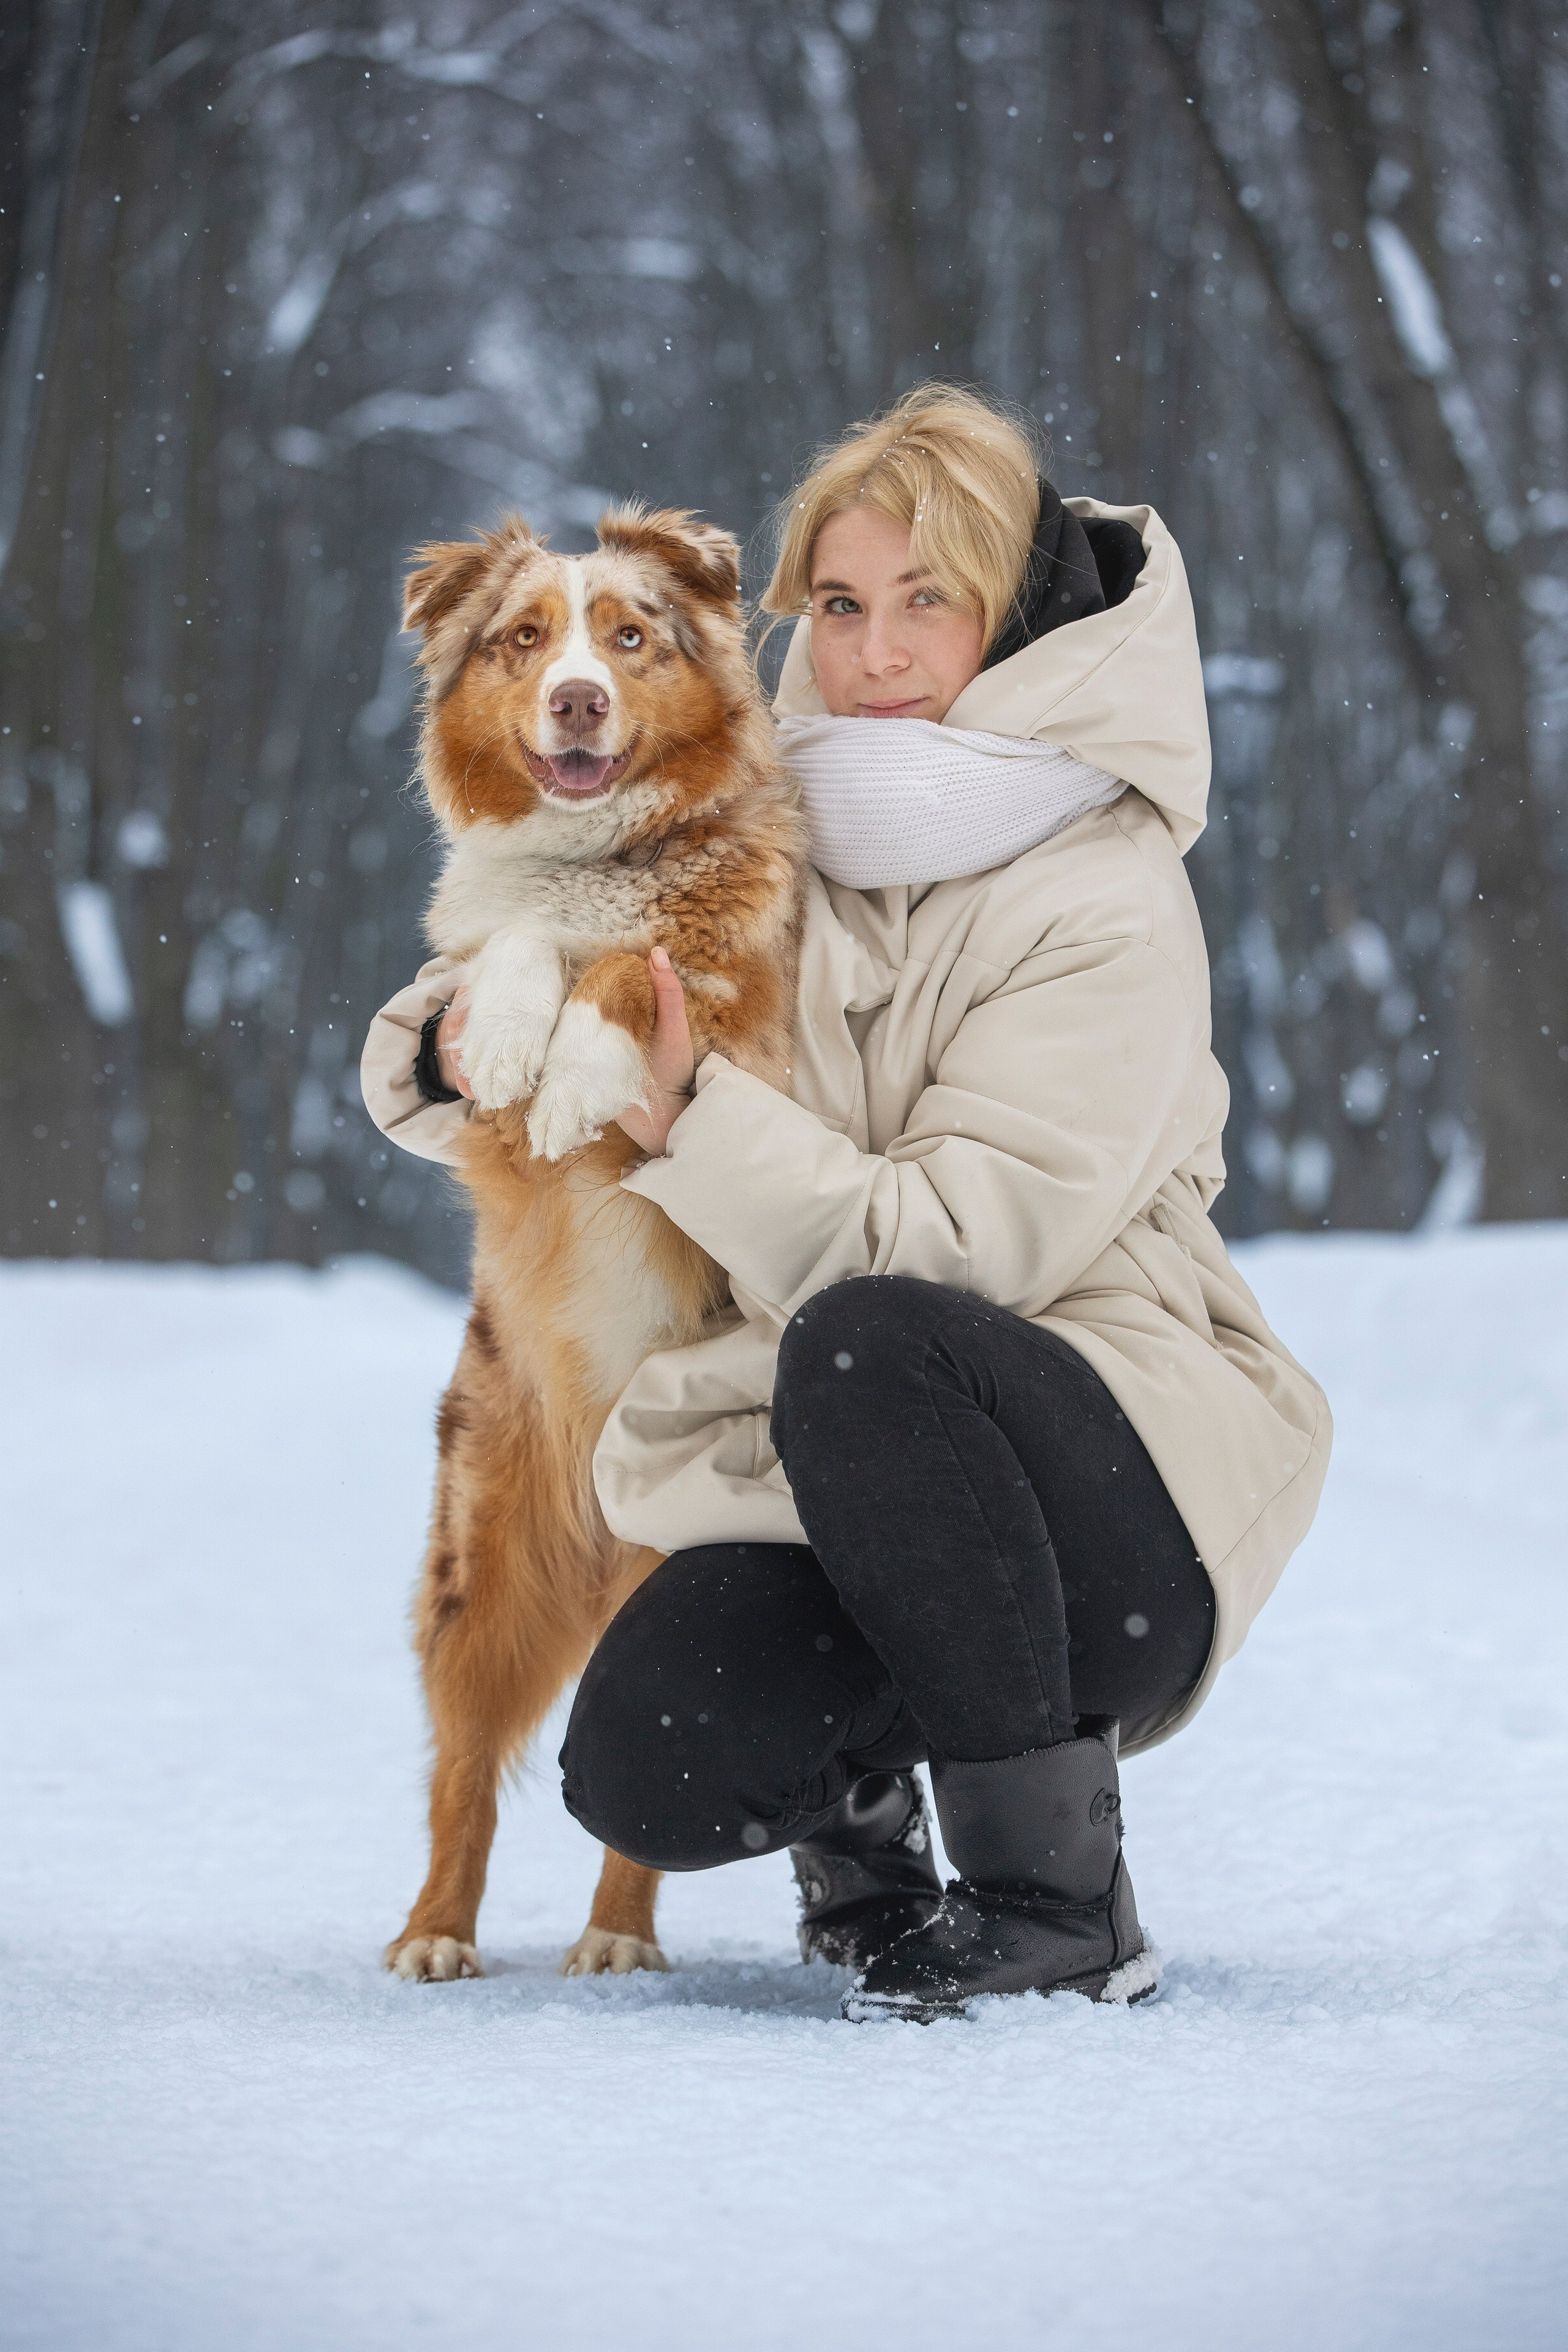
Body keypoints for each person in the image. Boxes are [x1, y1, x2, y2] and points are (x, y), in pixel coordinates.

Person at [361, 383, 1330, 2022]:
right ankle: (866, 1862)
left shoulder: (1102, 888)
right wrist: (452, 1042)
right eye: (842, 606)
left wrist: (679, 1115)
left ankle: (1054, 1897)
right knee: (655, 1761)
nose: (878, 653)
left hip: (1106, 1490)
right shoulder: (764, 818)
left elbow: (953, 1247)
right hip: (847, 1465)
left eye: (929, 602)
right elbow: (599, 930)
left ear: (1015, 614)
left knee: (879, 1337)